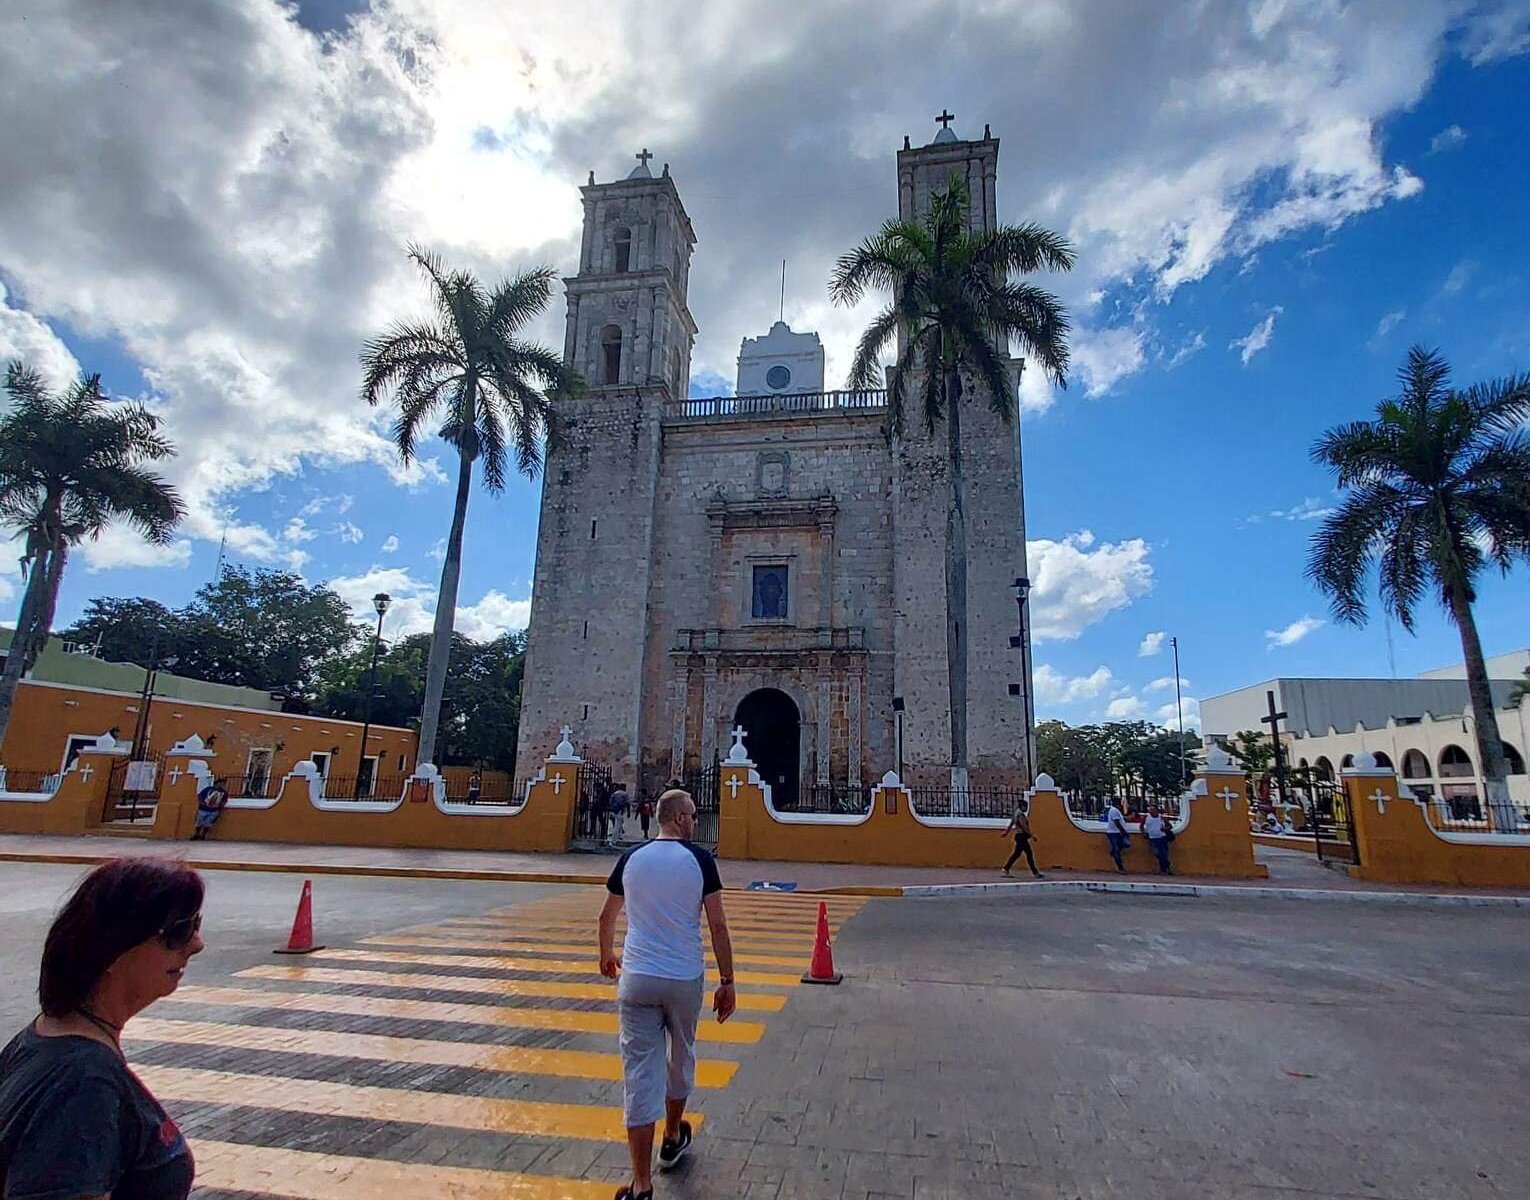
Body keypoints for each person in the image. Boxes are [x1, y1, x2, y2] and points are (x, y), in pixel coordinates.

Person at [0, 857, 204, 1198]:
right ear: (113, 950)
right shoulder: (85, 1079)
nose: (196, 944)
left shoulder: (47, 1036)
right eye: (178, 931)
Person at [599, 789, 736, 1200]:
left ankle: (641, 1184)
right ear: (679, 819)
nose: (696, 821)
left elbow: (606, 915)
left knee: (639, 1074)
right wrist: (727, 980)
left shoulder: (631, 858)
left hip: (637, 977)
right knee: (681, 1055)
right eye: (693, 815)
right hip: (683, 978)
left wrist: (606, 955)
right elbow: (718, 927)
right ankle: (673, 1134)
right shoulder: (700, 860)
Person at [999, 800, 1043, 878]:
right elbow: (1024, 826)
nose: (1026, 808)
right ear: (1022, 806)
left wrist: (1006, 832)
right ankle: (1035, 873)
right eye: (1025, 806)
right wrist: (1032, 835)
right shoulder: (1020, 815)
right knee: (1028, 854)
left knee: (1017, 854)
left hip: (1019, 836)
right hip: (1022, 836)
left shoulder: (1016, 813)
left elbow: (1011, 823)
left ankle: (1006, 868)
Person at [1142, 804, 1174, 875]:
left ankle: (1163, 870)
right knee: (1156, 853)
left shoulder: (1161, 818)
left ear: (1157, 810)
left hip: (1162, 837)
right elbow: (1141, 825)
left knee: (1164, 854)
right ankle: (1167, 865)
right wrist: (1143, 833)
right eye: (1150, 809)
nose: (1151, 811)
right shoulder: (1147, 817)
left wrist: (1164, 828)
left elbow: (1170, 826)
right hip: (1152, 838)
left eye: (1153, 809)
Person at [1103, 800, 1132, 872]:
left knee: (1123, 845)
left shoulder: (1116, 811)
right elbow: (1117, 823)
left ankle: (1114, 853)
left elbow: (1119, 820)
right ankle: (1120, 867)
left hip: (1117, 832)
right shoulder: (1114, 811)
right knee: (1118, 849)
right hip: (1114, 833)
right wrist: (1124, 832)